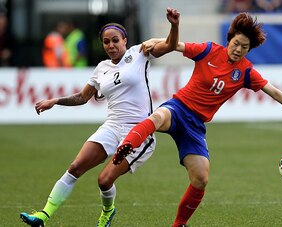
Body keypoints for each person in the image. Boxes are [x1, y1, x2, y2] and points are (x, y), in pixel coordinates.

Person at [112, 12, 282, 227]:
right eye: (237, 43)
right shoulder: (209, 50)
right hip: (178, 108)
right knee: (157, 116)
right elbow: (176, 45)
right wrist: (152, 42)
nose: (238, 49)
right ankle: (128, 145)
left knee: (201, 179)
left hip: (195, 126)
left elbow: (274, 92)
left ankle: (179, 225)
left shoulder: (246, 71)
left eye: (244, 47)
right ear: (229, 39)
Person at [20, 7, 180, 227]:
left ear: (125, 40)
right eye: (106, 42)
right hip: (112, 126)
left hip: (139, 131)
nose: (111, 45)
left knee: (104, 181)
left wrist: (174, 24)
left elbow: (171, 46)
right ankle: (43, 215)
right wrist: (55, 101)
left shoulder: (139, 53)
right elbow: (83, 97)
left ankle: (108, 211)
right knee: (75, 167)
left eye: (115, 40)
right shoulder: (101, 68)